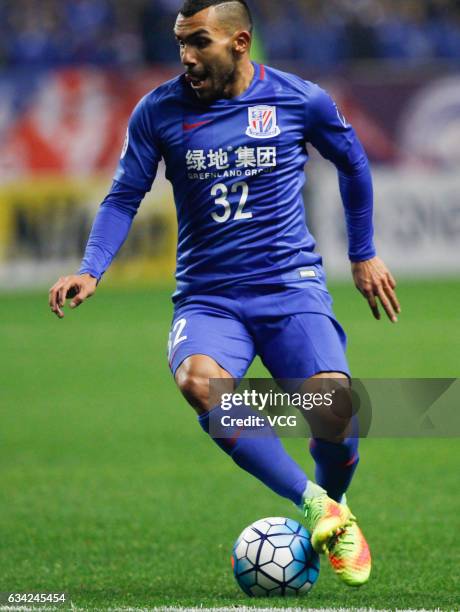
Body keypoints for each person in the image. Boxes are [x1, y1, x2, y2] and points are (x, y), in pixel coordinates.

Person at [49, 0, 401, 587]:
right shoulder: (158, 110)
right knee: (199, 382)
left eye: (199, 42)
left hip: (290, 288)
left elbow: (354, 163)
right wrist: (92, 268)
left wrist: (362, 251)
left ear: (239, 42)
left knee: (334, 410)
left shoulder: (298, 99)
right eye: (180, 42)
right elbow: (121, 197)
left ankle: (332, 512)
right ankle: (316, 506)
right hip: (209, 298)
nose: (186, 57)